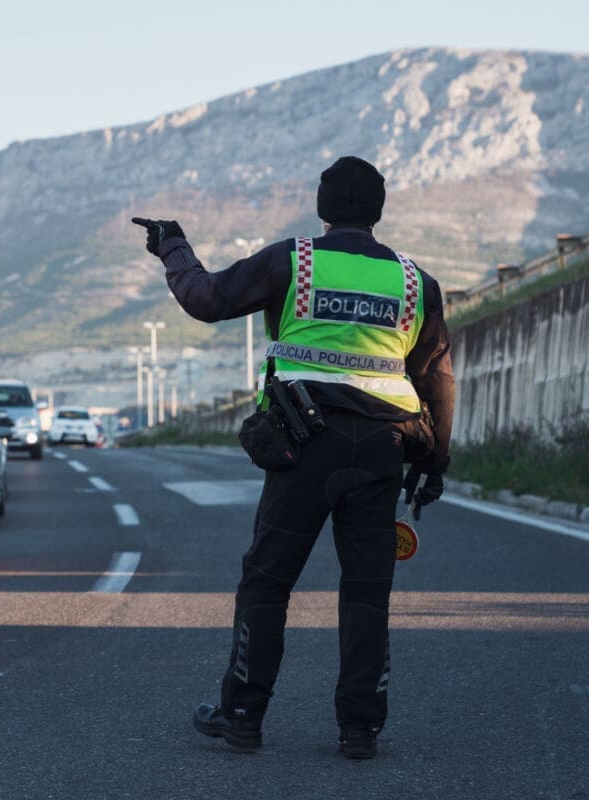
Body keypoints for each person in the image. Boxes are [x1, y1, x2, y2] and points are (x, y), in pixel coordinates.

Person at [133, 155, 455, 760]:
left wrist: (173, 247)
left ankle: (242, 716)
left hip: (303, 444)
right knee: (366, 591)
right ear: (378, 211)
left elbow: (205, 299)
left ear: (323, 207)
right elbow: (437, 377)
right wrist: (434, 462)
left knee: (268, 581)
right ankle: (359, 729)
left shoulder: (295, 260)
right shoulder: (416, 283)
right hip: (384, 448)